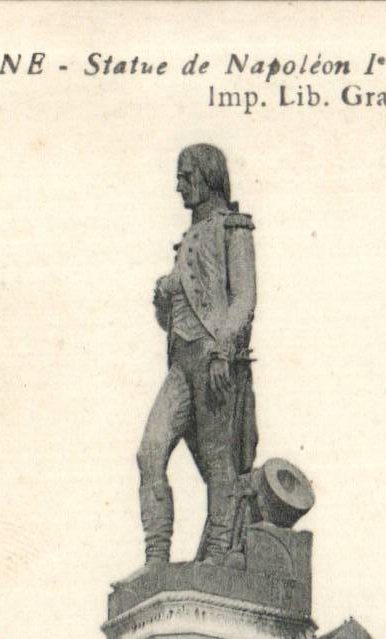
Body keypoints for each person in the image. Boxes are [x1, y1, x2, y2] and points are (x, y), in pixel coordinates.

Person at [138, 144, 257, 565]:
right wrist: (162, 299)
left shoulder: (233, 228)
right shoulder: (185, 241)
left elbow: (243, 299)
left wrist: (223, 349)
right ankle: (156, 557)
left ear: (208, 176)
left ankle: (220, 552)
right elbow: (169, 318)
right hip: (181, 363)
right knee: (149, 452)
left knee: (219, 461)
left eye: (186, 176)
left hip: (211, 360)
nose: (179, 186)